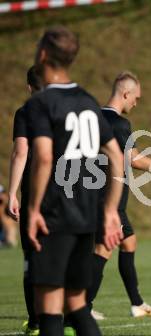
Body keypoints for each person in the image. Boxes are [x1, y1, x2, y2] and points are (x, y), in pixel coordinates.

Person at [25, 26, 124, 336]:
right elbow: (116, 156)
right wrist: (109, 211)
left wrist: (33, 209)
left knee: (50, 308)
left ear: (42, 54)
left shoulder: (40, 103)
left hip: (55, 216)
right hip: (86, 215)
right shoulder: (88, 101)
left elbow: (42, 158)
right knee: (78, 305)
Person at [87, 71, 151, 319]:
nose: (136, 103)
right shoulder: (119, 124)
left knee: (128, 242)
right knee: (104, 248)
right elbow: (133, 159)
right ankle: (83, 306)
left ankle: (136, 303)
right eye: (135, 97)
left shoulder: (92, 118)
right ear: (125, 94)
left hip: (92, 196)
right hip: (110, 200)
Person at [6, 65, 43, 335]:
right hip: (68, 194)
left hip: (35, 196)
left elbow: (21, 152)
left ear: (29, 87)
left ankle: (35, 323)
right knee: (64, 255)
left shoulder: (26, 112)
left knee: (32, 259)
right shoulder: (70, 111)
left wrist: (12, 193)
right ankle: (67, 321)